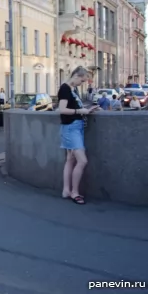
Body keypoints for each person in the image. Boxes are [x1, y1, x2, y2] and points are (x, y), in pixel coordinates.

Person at [58, 66, 98, 205]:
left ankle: (66, 190)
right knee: (82, 161)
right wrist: (80, 110)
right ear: (76, 76)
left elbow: (73, 107)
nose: (82, 84)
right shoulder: (65, 88)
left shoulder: (72, 89)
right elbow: (62, 109)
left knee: (70, 160)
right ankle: (75, 192)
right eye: (82, 80)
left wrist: (86, 110)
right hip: (71, 128)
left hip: (75, 127)